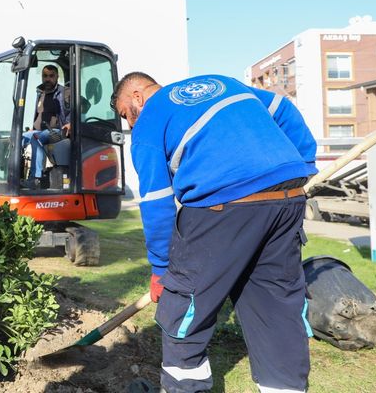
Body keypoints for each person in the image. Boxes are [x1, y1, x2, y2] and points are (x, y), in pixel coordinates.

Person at [112, 72, 317, 393]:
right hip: (287, 198)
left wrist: (161, 269)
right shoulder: (221, 83)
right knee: (274, 303)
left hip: (223, 204)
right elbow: (281, 106)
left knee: (184, 308)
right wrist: (303, 162)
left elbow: (156, 201)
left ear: (137, 96)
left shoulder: (149, 119)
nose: (129, 124)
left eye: (126, 114)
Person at [21, 64, 71, 188]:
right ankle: (16, 176)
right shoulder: (41, 92)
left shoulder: (65, 92)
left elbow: (79, 109)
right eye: (45, 76)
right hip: (38, 130)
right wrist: (33, 126)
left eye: (51, 76)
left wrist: (71, 123)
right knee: (18, 139)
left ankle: (36, 178)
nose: (47, 79)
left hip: (57, 130)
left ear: (57, 77)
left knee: (36, 138)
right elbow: (39, 113)